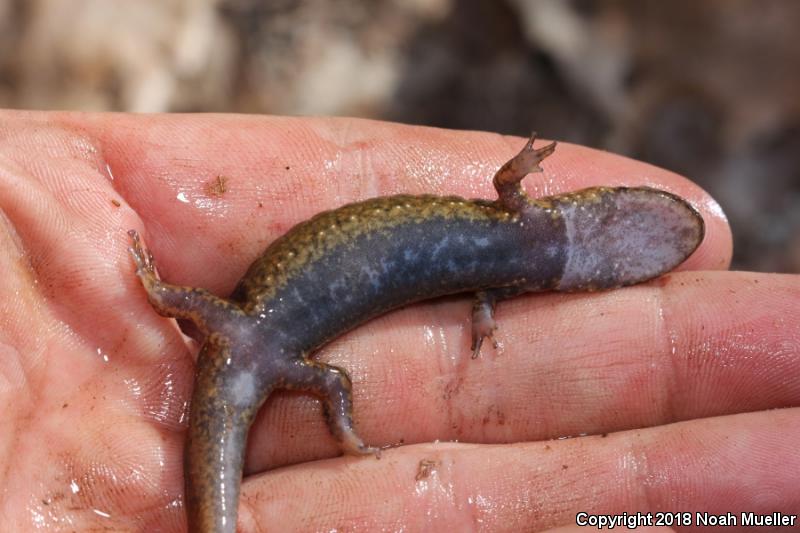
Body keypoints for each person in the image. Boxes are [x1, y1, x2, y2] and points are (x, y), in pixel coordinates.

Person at [1, 111, 796, 531]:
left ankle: (163, 293)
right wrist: (481, 315)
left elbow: (505, 185)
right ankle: (340, 427)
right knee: (332, 382)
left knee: (297, 360)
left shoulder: (518, 228)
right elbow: (487, 289)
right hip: (275, 350)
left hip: (258, 329)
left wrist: (525, 168)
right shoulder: (520, 272)